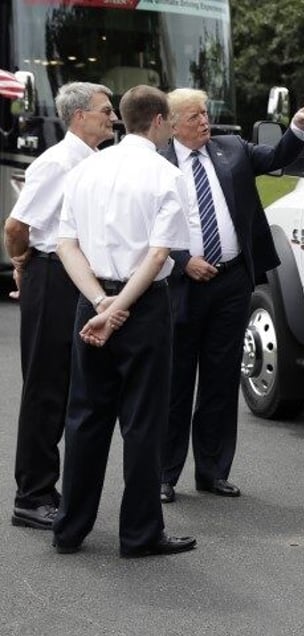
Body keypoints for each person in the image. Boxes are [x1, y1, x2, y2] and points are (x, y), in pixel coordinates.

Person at [52, 84, 196, 558]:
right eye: (170, 123)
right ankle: (138, 534)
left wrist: (99, 303)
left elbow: (66, 245)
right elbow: (158, 256)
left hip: (91, 301)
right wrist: (119, 308)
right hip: (143, 307)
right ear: (157, 122)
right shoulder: (165, 174)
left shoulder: (86, 169)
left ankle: (69, 529)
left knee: (85, 417)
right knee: (143, 423)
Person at [159, 89, 304, 503]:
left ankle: (213, 471)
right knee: (176, 382)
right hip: (181, 284)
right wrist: (181, 261)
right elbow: (144, 225)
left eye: (205, 114)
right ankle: (163, 474)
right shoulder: (157, 163)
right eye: (194, 117)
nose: (204, 122)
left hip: (231, 281)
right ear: (172, 124)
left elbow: (276, 158)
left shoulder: (230, 148)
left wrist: (297, 129)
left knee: (220, 379)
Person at [4, 82, 118, 531]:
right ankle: (31, 496)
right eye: (105, 111)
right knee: (46, 388)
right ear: (79, 117)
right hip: (51, 275)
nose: (112, 118)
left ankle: (50, 489)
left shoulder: (91, 160)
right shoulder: (56, 162)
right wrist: (20, 263)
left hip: (75, 276)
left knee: (72, 386)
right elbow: (17, 225)